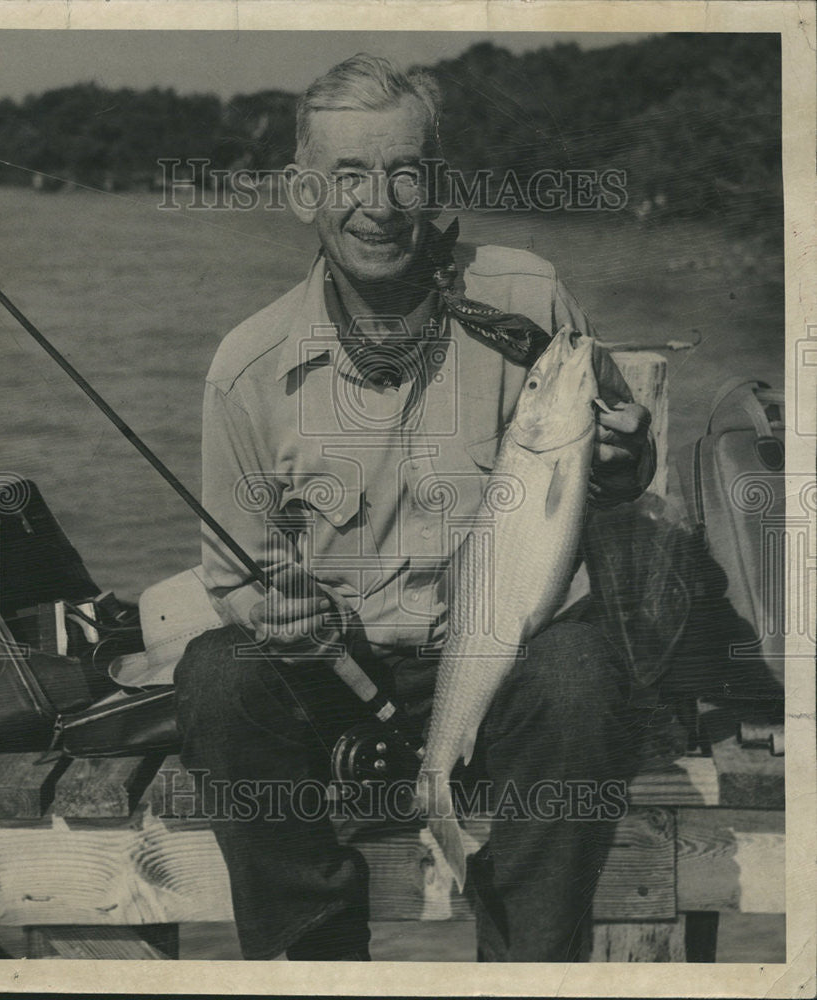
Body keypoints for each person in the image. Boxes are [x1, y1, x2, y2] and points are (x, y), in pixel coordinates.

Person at [175, 53, 655, 963]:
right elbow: (229, 576)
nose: (380, 201)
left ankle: (526, 963)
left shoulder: (528, 294)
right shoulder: (245, 368)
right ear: (300, 190)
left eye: (404, 171)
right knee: (219, 675)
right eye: (348, 173)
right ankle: (316, 959)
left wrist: (626, 456)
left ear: (435, 182)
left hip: (504, 655)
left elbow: (619, 465)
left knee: (583, 676)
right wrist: (269, 609)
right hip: (339, 669)